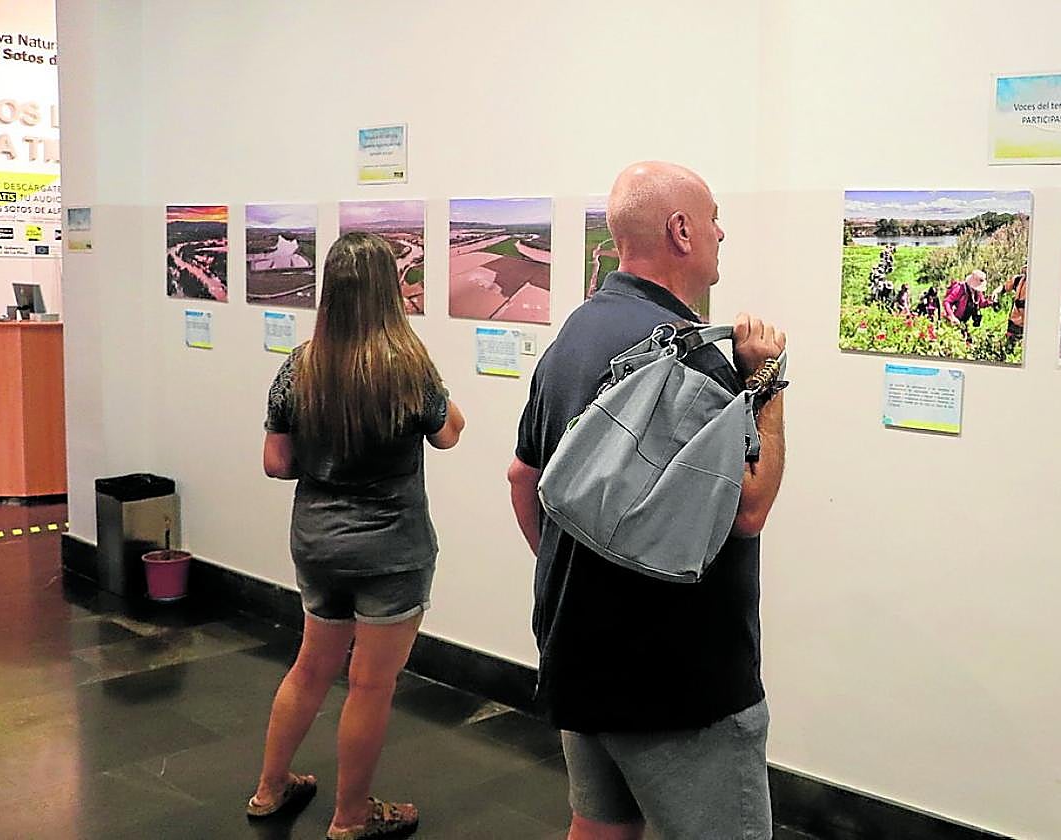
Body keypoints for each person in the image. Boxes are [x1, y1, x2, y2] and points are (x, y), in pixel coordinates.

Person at [507, 161, 786, 840]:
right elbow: (747, 510)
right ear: (682, 230)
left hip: (577, 650)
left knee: (599, 829)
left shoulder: (574, 335)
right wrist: (768, 386)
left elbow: (523, 476)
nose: (722, 230)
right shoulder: (696, 360)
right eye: (713, 216)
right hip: (678, 680)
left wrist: (587, 565)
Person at [250, 232, 466, 840]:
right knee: (370, 684)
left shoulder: (300, 365)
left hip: (318, 543)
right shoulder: (409, 366)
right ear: (388, 291)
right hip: (391, 549)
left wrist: (328, 455)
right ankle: (351, 817)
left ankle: (270, 789)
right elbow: (448, 433)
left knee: (310, 668)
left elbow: (276, 462)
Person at [942, 270, 997, 339]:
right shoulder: (960, 289)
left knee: (967, 341)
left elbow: (980, 303)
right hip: (952, 320)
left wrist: (989, 302)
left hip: (963, 322)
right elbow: (947, 301)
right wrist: (952, 316)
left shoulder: (977, 292)